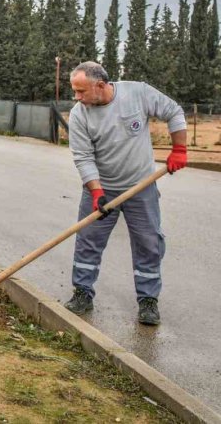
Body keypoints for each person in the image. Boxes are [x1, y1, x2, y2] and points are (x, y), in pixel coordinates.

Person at [64, 61, 187, 325]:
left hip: (141, 187)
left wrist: (179, 149)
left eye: (81, 91)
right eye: (75, 91)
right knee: (88, 241)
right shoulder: (79, 115)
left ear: (100, 85)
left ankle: (148, 300)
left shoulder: (137, 93)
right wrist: (96, 192)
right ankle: (82, 292)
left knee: (148, 243)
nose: (77, 97)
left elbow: (174, 111)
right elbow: (83, 157)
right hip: (101, 188)